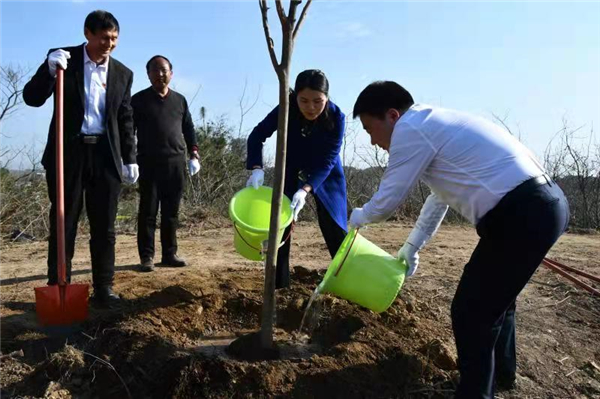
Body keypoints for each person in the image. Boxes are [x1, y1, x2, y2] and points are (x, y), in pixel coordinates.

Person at [349, 81, 569, 399]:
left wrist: (356, 218)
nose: (372, 141)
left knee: (471, 312)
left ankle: (477, 392)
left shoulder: (410, 130)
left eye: (370, 129)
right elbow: (440, 197)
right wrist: (413, 245)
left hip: (522, 212)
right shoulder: (433, 125)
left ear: (392, 116)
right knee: (496, 303)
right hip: (542, 204)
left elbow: (386, 201)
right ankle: (501, 377)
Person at [23, 10, 138, 306]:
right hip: (68, 154)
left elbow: (124, 118)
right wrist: (48, 71)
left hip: (105, 157)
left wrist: (130, 157)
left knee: (105, 227)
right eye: (103, 38)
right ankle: (58, 284)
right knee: (64, 221)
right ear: (87, 33)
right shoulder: (63, 60)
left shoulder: (123, 74)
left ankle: (104, 287)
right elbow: (32, 97)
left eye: (114, 39)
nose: (109, 44)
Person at [246, 69, 348, 289]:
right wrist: (256, 167)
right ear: (295, 97)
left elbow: (328, 160)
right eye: (304, 101)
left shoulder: (337, 117)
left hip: (326, 174)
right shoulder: (286, 108)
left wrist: (306, 188)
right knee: (281, 225)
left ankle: (347, 281)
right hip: (290, 169)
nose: (311, 107)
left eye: (317, 101)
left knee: (335, 227)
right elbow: (257, 135)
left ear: (326, 98)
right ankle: (279, 285)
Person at [131, 55, 200, 272]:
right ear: (148, 74)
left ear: (171, 72)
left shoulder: (179, 100)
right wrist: (129, 159)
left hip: (176, 163)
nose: (160, 74)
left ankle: (169, 254)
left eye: (164, 70)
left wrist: (194, 154)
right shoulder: (138, 100)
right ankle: (147, 256)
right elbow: (128, 131)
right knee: (148, 211)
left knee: (171, 212)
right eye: (155, 70)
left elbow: (188, 128)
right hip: (149, 163)